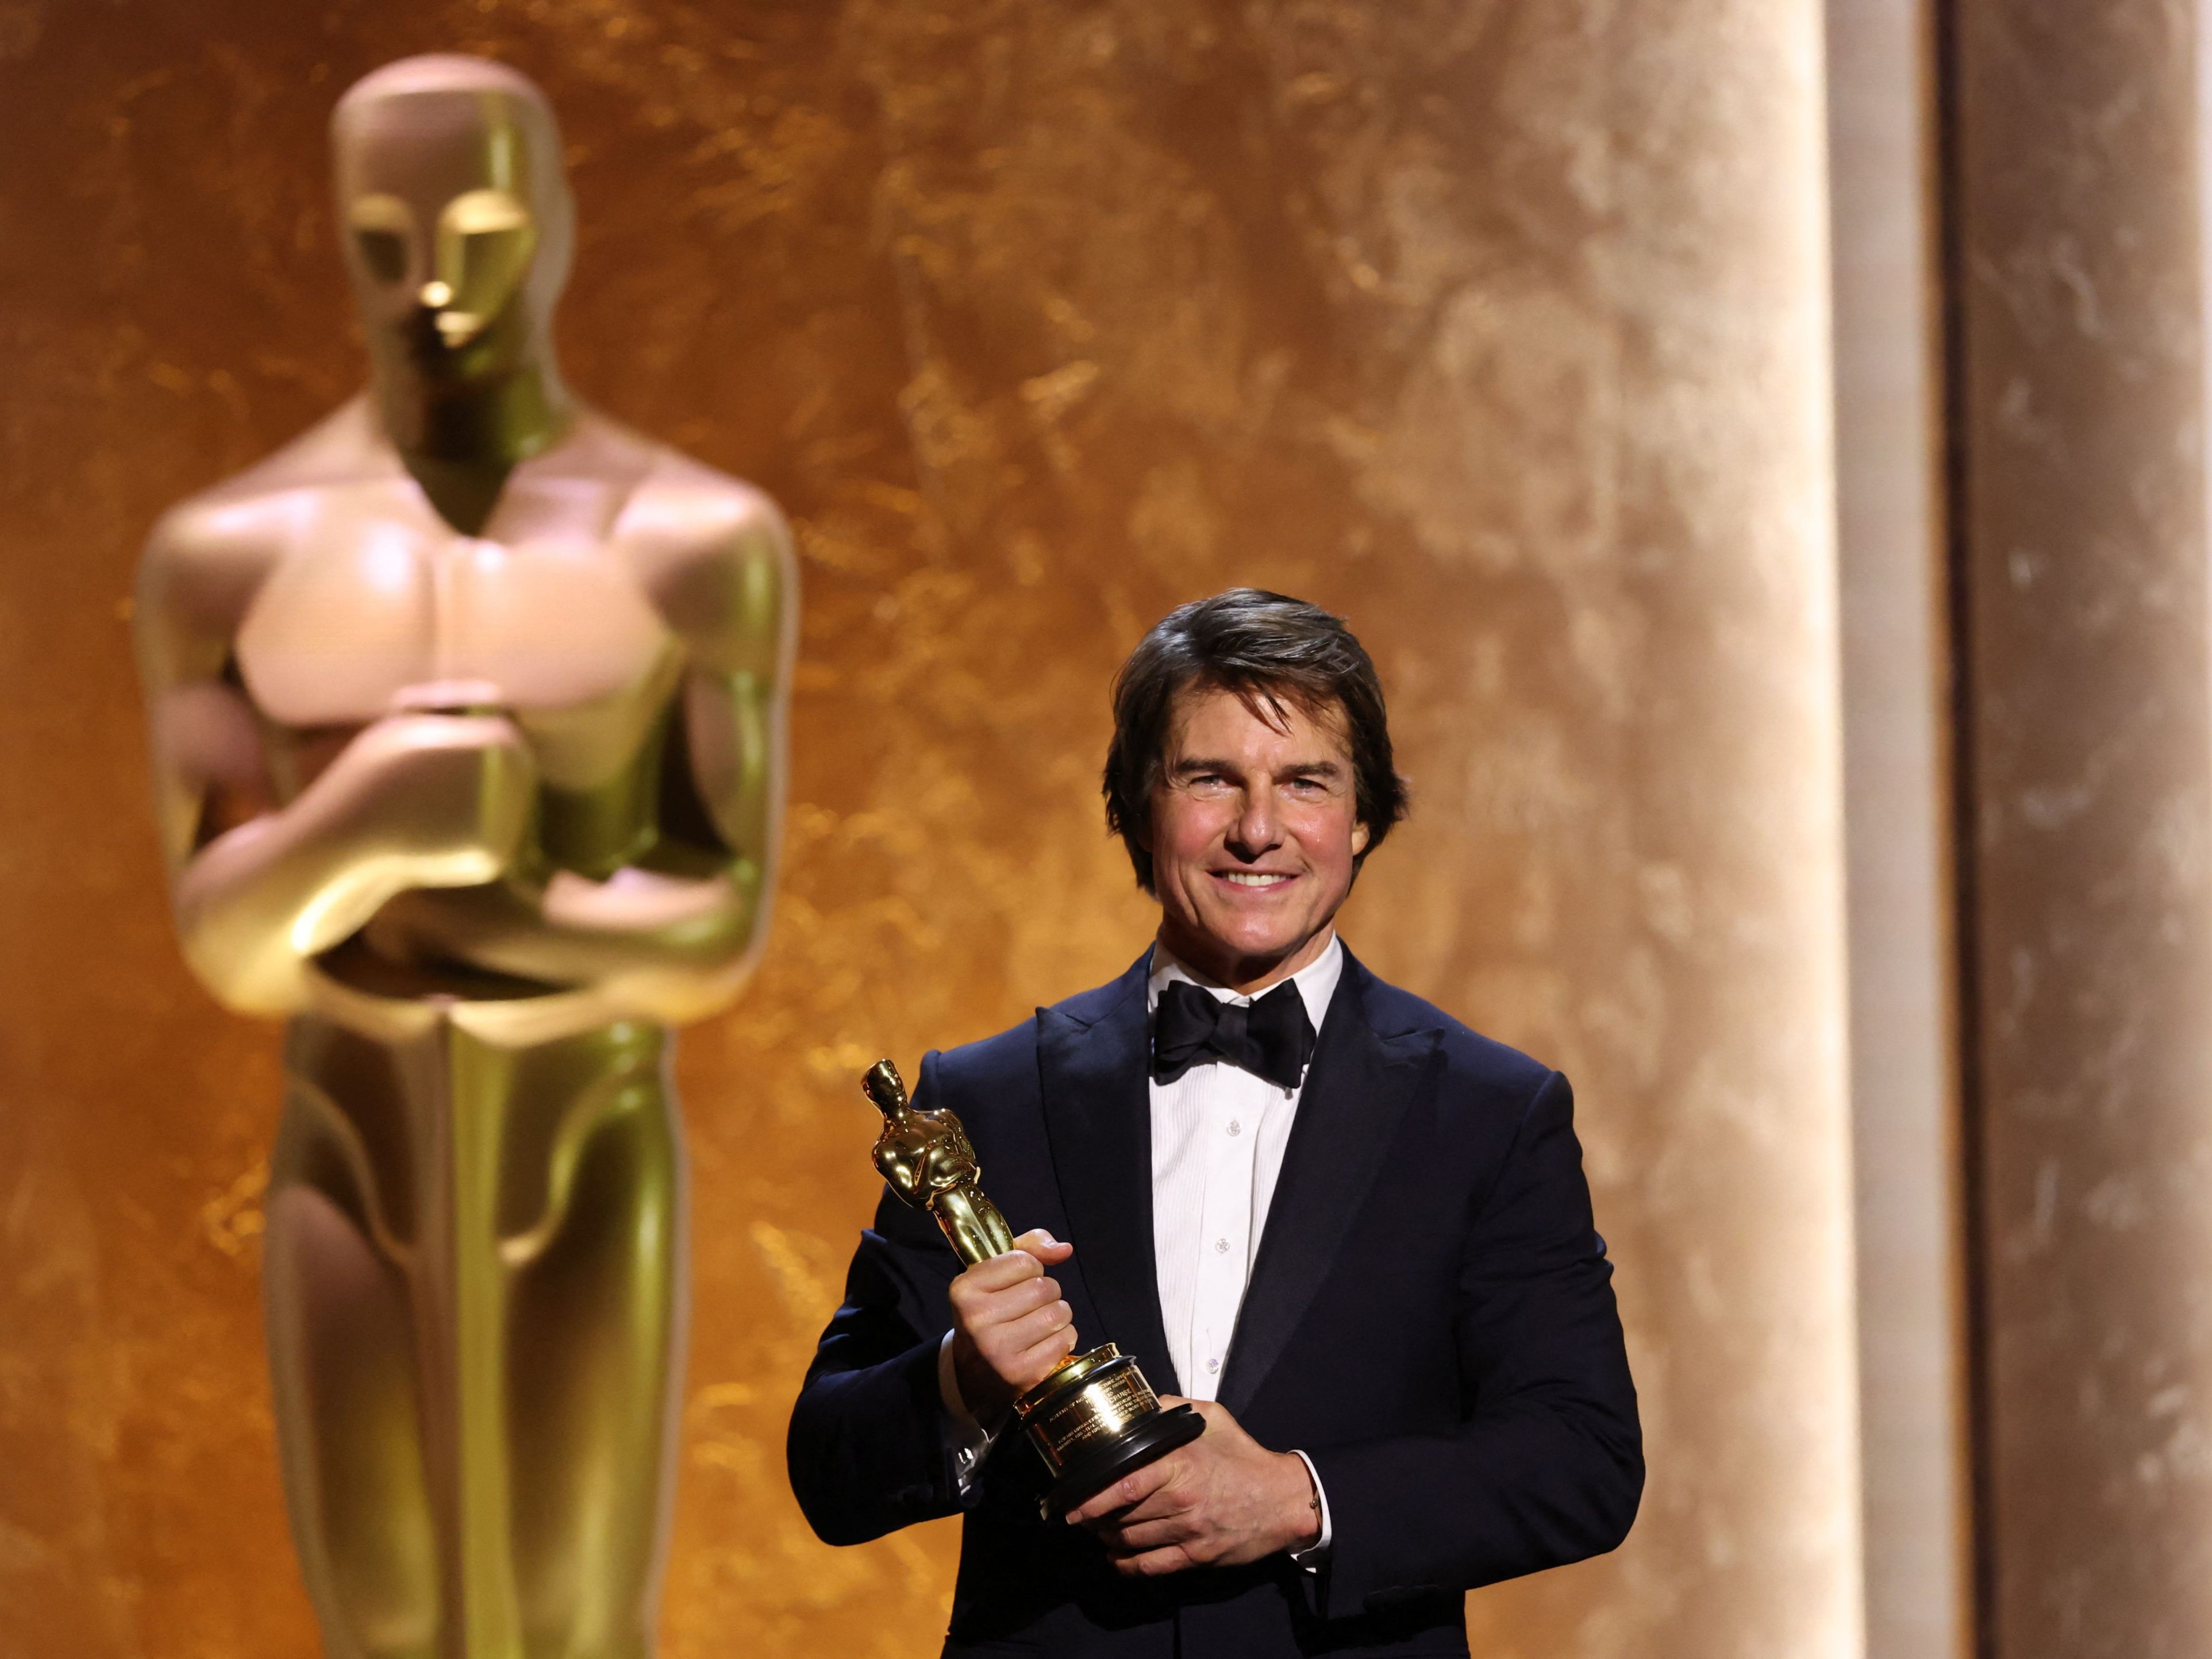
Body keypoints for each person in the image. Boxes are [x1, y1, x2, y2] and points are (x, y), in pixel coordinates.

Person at [133, 57, 793, 1659]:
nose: (434, 285)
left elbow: (716, 929)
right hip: (346, 1140)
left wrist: (489, 903)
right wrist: (366, 824)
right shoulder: (228, 556)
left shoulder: (690, 544)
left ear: (561, 226)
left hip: (586, 1134)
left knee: (576, 1620)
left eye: (486, 228)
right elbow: (224, 939)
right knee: (389, 1620)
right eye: (383, 239)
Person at [787, 589, 1639, 1657]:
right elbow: (828, 1472)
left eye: (1304, 783)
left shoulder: (1490, 1113)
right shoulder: (982, 1099)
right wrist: (959, 1379)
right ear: (1138, 809)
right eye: (1210, 779)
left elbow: (1581, 1459)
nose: (1256, 828)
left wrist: (1297, 1499)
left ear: (1364, 815)